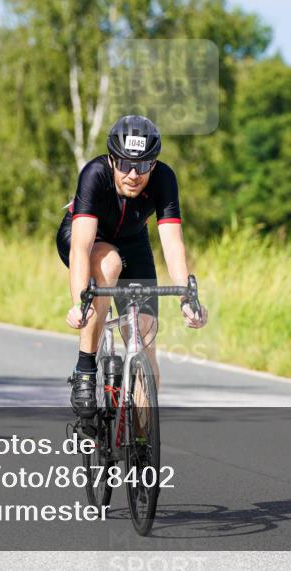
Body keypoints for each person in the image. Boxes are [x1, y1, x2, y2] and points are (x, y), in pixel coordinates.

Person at [56, 115, 208, 415]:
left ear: (155, 163)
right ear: (112, 160)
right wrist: (79, 303)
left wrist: (186, 300)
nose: (134, 174)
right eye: (124, 164)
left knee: (146, 345)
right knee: (109, 263)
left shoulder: (164, 178)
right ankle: (85, 370)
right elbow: (81, 248)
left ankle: (140, 442)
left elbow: (173, 244)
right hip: (86, 237)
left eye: (144, 165)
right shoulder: (94, 173)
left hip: (133, 242)